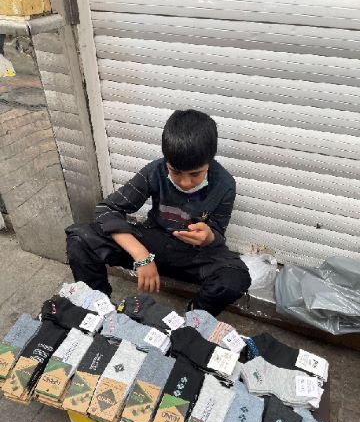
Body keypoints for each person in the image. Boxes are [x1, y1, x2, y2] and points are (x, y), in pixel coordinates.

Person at [66, 109, 251, 316]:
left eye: (195, 174)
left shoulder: (225, 185)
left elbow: (218, 231)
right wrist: (141, 255)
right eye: (176, 171)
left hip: (193, 256)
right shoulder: (155, 171)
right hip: (153, 242)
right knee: (80, 238)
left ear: (209, 162)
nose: (185, 182)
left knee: (236, 279)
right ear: (166, 162)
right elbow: (107, 210)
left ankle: (194, 318)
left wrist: (208, 236)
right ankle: (97, 308)